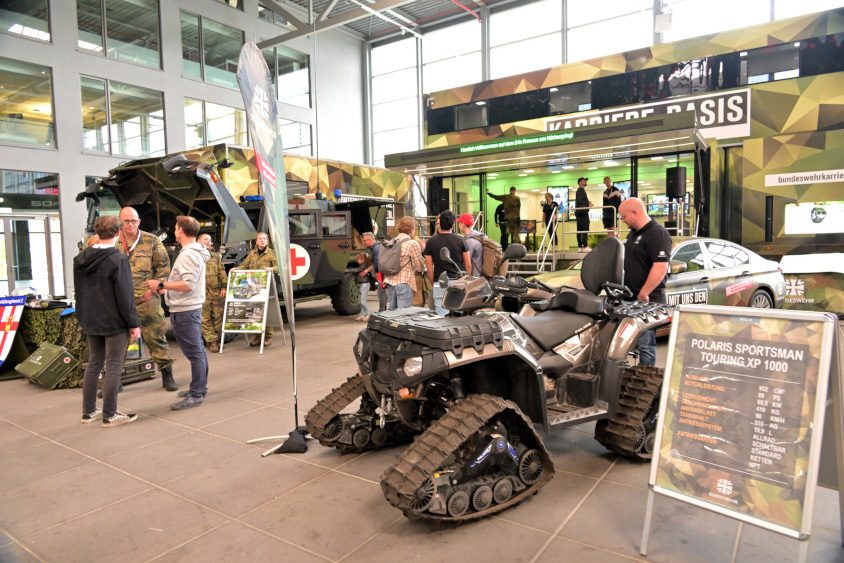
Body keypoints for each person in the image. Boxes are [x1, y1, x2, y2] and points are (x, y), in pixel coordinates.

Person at [74, 216, 142, 428]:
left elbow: (80, 291)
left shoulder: (80, 259)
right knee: (113, 365)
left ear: (98, 232)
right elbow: (125, 295)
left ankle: (88, 412)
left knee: (94, 363)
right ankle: (110, 415)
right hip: (113, 320)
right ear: (118, 233)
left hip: (90, 318)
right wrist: (134, 323)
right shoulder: (117, 259)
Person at [146, 216, 211, 410]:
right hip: (188, 307)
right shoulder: (193, 252)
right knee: (198, 351)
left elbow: (189, 284)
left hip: (185, 310)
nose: (175, 231)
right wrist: (167, 289)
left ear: (181, 230)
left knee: (195, 353)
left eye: (175, 227)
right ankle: (199, 388)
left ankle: (196, 394)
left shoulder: (188, 254)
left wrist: (161, 284)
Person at [117, 207, 177, 392]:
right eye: (126, 221)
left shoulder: (152, 240)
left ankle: (167, 375)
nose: (130, 224)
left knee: (156, 337)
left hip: (147, 300)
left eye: (133, 221)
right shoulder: (114, 241)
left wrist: (153, 291)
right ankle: (114, 382)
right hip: (120, 302)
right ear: (120, 222)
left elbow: (164, 268)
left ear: (139, 222)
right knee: (117, 343)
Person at [618, 198, 672, 367]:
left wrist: (644, 293)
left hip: (647, 301)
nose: (623, 221)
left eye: (624, 217)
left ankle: (646, 377)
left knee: (645, 345)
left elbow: (661, 266)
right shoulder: (633, 233)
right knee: (623, 344)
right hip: (629, 299)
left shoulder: (657, 233)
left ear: (635, 212)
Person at [233, 232, 278, 347]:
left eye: (264, 238)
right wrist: (237, 269)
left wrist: (271, 269)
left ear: (267, 241)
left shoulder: (272, 254)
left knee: (266, 310)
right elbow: (245, 265)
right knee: (254, 310)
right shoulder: (252, 253)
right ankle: (257, 336)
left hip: (266, 286)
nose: (262, 240)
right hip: (253, 287)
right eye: (260, 238)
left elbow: (278, 267)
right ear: (256, 241)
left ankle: (268, 336)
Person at [424, 210, 471, 316]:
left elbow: (429, 269)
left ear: (440, 224)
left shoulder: (431, 242)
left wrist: (434, 282)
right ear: (453, 225)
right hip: (458, 282)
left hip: (439, 282)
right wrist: (465, 280)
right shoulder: (461, 240)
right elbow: (468, 264)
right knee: (458, 315)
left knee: (441, 316)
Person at [382, 216, 425, 311]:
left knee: (392, 315)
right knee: (403, 314)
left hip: (390, 283)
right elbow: (418, 267)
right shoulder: (412, 244)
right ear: (412, 230)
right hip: (404, 283)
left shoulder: (391, 242)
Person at [198, 233, 226, 353]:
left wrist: (224, 287)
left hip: (215, 291)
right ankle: (212, 341)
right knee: (205, 318)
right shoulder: (194, 256)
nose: (208, 242)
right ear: (198, 241)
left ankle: (216, 339)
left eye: (209, 240)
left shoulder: (215, 256)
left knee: (218, 316)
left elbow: (221, 272)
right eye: (206, 239)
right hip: (201, 292)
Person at [361, 232, 386, 313]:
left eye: (364, 240)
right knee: (382, 292)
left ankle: (382, 311)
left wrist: (366, 270)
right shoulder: (376, 247)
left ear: (370, 240)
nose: (363, 242)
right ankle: (383, 310)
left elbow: (376, 263)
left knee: (381, 293)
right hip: (382, 273)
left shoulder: (376, 249)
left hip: (382, 273)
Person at [352, 252, 372, 321]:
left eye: (358, 259)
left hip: (364, 285)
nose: (357, 260)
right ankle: (363, 315)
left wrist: (347, 270)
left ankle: (368, 314)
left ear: (363, 259)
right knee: (360, 301)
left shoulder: (364, 266)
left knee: (363, 301)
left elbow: (357, 270)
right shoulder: (362, 265)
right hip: (362, 284)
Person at [574, 178, 593, 252]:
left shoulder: (580, 191)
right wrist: (588, 205)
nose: (585, 181)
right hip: (583, 213)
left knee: (580, 230)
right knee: (584, 229)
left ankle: (580, 247)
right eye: (583, 180)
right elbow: (579, 201)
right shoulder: (581, 190)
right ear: (580, 182)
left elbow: (580, 200)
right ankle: (584, 246)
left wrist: (587, 202)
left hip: (580, 213)